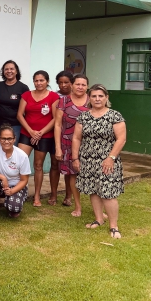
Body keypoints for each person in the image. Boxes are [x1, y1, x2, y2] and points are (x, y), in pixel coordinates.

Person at [72, 84, 126, 239]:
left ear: (106, 98)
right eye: (94, 96)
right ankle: (99, 219)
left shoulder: (115, 116)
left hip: (107, 161)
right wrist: (75, 158)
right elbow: (76, 138)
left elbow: (121, 139)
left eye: (100, 96)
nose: (97, 99)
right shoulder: (83, 116)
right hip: (87, 160)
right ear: (90, 98)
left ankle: (114, 226)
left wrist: (111, 158)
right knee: (93, 190)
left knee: (108, 193)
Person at [17, 70, 59, 207]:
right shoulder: (26, 95)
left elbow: (55, 118)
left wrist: (40, 133)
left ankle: (36, 196)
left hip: (45, 135)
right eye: (36, 80)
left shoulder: (53, 97)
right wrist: (30, 131)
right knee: (19, 162)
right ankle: (18, 192)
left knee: (38, 166)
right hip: (26, 133)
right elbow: (19, 115)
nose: (39, 83)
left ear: (47, 81)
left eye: (42, 80)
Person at [54, 74, 89, 217]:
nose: (80, 87)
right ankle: (78, 206)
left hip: (88, 143)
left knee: (92, 175)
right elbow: (57, 124)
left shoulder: (92, 100)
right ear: (72, 85)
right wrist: (57, 147)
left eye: (83, 85)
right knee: (73, 174)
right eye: (77, 84)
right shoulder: (63, 101)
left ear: (87, 87)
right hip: (67, 143)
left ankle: (98, 207)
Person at [0, 124, 31, 217]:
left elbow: (24, 180)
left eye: (9, 139)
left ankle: (12, 201)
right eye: (3, 138)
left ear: (14, 139)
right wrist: (2, 178)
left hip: (16, 185)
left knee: (14, 208)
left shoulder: (22, 156)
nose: (6, 141)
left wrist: (12, 191)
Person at [48, 71, 75, 205]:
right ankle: (53, 194)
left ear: (72, 83)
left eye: (66, 82)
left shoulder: (77, 96)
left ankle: (68, 196)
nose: (63, 85)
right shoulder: (54, 96)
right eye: (60, 82)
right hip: (57, 135)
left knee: (70, 167)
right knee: (55, 164)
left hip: (73, 137)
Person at [0, 60, 29, 143]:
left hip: (16, 125)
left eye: (12, 69)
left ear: (16, 71)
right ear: (3, 72)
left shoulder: (23, 88)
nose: (9, 71)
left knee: (13, 150)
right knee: (0, 149)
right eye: (6, 69)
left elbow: (27, 109)